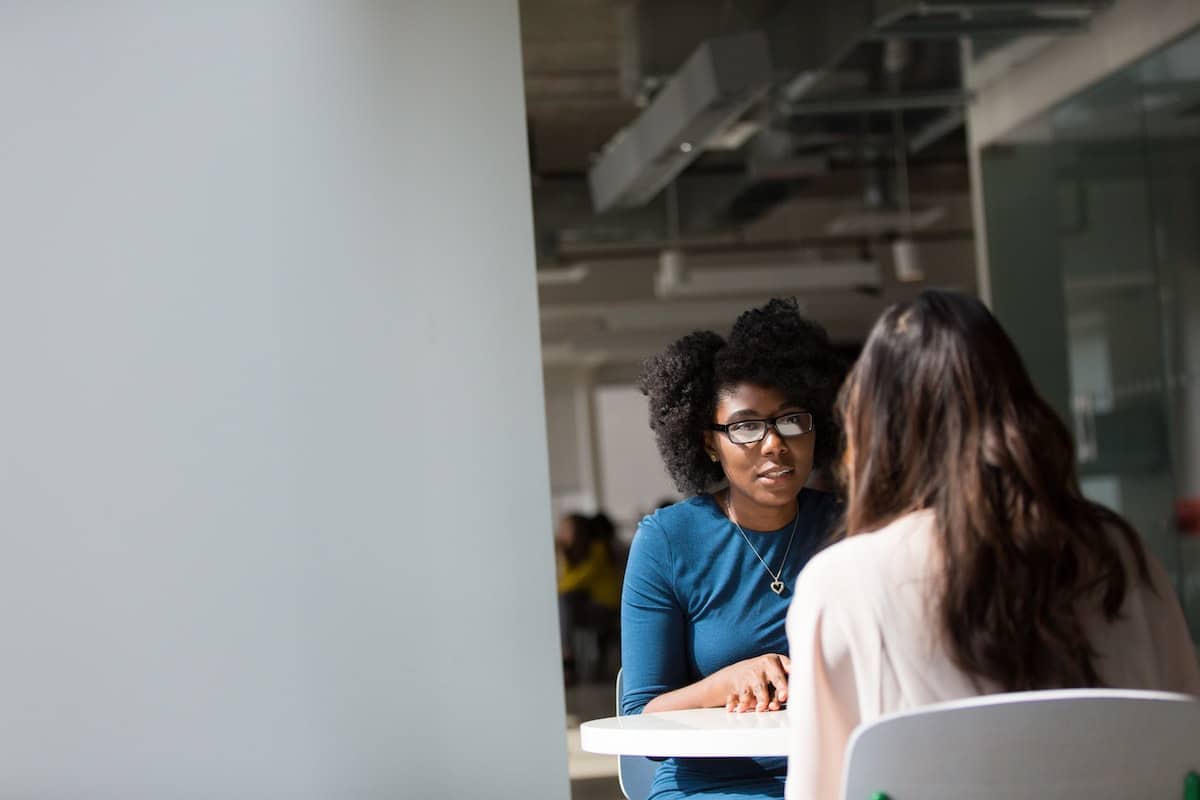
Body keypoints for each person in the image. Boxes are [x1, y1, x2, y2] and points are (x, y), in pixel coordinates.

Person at [784, 290, 1200, 800]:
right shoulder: (1119, 553)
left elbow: (816, 792)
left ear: (875, 429)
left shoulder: (843, 584)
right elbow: (1187, 751)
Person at [622, 298, 846, 800]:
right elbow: (641, 722)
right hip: (713, 787)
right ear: (708, 443)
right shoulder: (668, 541)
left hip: (839, 777)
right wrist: (728, 683)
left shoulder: (850, 527)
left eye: (791, 420)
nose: (774, 444)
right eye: (746, 427)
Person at [556, 512, 620, 684]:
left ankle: (566, 655)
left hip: (606, 609)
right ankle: (565, 655)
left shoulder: (597, 551)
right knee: (562, 604)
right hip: (589, 606)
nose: (561, 533)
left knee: (563, 602)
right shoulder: (575, 555)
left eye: (566, 529)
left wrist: (562, 557)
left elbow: (571, 583)